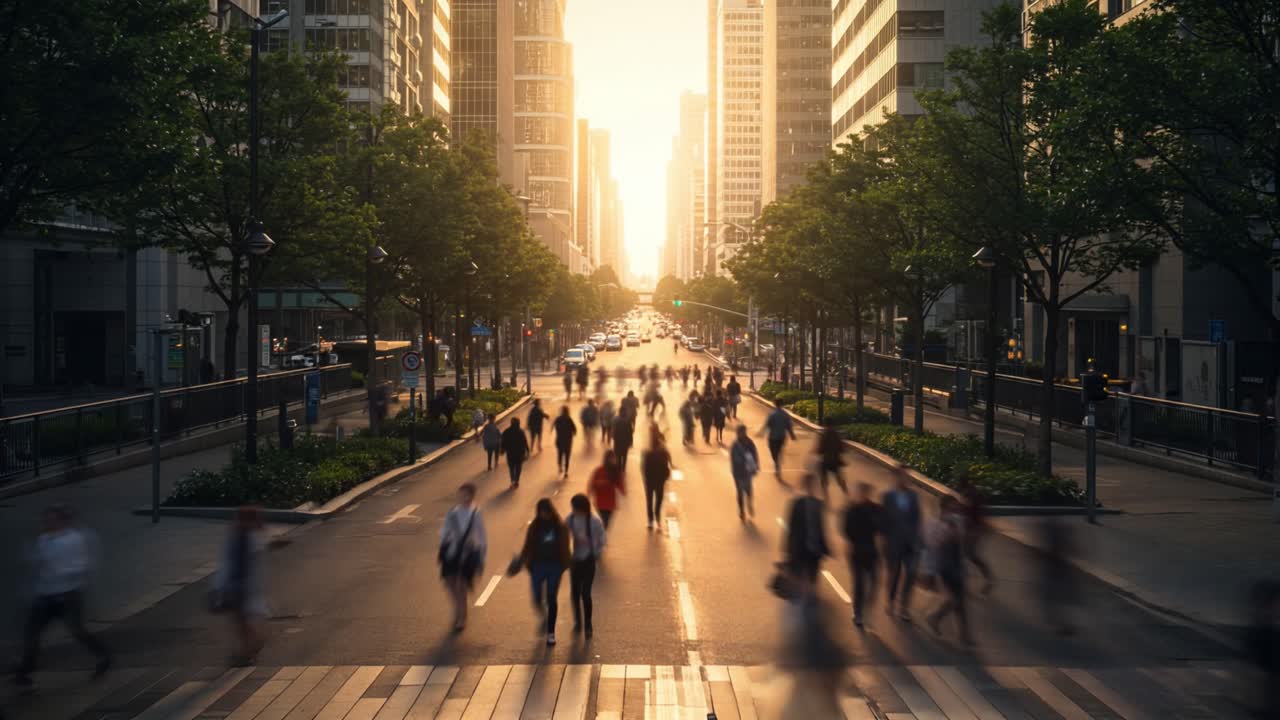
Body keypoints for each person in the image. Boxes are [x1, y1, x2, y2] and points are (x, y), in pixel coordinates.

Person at [15, 505, 110, 687]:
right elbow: (37, 563)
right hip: (46, 595)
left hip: (68, 596)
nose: (47, 523)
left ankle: (103, 656)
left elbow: (82, 565)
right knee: (32, 632)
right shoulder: (43, 539)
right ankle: (25, 671)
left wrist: (60, 571)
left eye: (51, 520)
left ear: (62, 521)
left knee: (77, 631)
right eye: (46, 520)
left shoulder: (73, 539)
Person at [519, 499, 571, 646]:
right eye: (542, 512)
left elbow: (566, 547)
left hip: (555, 566)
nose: (544, 515)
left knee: (551, 598)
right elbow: (527, 545)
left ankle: (551, 633)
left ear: (551, 511)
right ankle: (544, 617)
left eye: (547, 512)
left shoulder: (560, 527)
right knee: (536, 598)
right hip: (537, 566)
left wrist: (564, 565)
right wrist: (522, 560)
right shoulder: (534, 527)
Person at [926, 496, 973, 644]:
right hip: (945, 567)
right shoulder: (937, 524)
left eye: (956, 507)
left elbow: (961, 544)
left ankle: (964, 636)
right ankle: (934, 617)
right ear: (945, 507)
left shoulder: (958, 521)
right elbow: (933, 546)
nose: (956, 509)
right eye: (953, 506)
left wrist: (964, 564)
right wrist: (932, 571)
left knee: (961, 602)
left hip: (956, 565)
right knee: (954, 600)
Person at [440, 484, 486, 631]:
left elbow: (481, 536)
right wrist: (443, 544)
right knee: (450, 584)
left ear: (472, 496)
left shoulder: (476, 513)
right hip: (451, 552)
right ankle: (458, 609)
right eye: (461, 494)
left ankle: (462, 616)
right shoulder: (452, 512)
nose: (464, 497)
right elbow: (444, 530)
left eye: (467, 495)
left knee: (461, 585)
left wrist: (481, 555)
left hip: (467, 553)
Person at [881, 465, 922, 621]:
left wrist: (918, 541)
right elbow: (883, 521)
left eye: (907, 476)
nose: (906, 479)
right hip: (893, 543)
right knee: (895, 574)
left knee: (911, 574)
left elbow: (917, 519)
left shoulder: (913, 496)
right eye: (903, 476)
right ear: (896, 477)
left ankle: (904, 607)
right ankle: (890, 601)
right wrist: (883, 541)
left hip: (910, 543)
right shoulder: (888, 496)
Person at [784, 473, 830, 607]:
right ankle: (805, 597)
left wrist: (825, 546)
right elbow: (791, 527)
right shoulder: (797, 504)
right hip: (800, 546)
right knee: (801, 573)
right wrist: (787, 549)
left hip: (814, 547)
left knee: (813, 574)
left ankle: (810, 597)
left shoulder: (819, 504)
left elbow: (822, 527)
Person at [567, 494, 606, 636]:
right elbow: (563, 532)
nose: (573, 510)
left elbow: (602, 539)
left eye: (575, 508)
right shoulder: (571, 519)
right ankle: (578, 622)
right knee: (575, 593)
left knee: (586, 593)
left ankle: (588, 623)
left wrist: (595, 552)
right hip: (575, 560)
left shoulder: (594, 522)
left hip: (589, 560)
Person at [842, 483, 881, 627]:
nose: (862, 495)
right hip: (856, 551)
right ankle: (858, 612)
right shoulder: (852, 509)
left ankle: (868, 608)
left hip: (871, 550)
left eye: (865, 493)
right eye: (860, 493)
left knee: (875, 582)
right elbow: (846, 528)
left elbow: (881, 525)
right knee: (859, 583)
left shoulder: (875, 508)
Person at [957, 473, 994, 594]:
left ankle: (987, 579)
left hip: (973, 530)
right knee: (969, 555)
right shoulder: (973, 494)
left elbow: (971, 513)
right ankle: (987, 578)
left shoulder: (970, 495)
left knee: (968, 555)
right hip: (974, 529)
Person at [641, 426, 673, 529]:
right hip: (659, 481)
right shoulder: (662, 452)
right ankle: (657, 517)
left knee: (649, 501)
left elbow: (643, 468)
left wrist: (645, 478)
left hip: (649, 481)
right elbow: (666, 464)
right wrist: (666, 476)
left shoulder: (647, 453)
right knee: (658, 500)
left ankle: (650, 521)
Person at [588, 450, 627, 529]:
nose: (613, 460)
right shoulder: (599, 470)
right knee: (605, 522)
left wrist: (623, 491)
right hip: (601, 501)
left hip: (610, 502)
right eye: (611, 458)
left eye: (613, 458)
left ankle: (601, 534)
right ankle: (602, 536)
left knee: (606, 522)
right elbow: (593, 483)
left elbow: (620, 483)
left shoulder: (616, 471)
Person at [729, 425, 760, 519]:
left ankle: (749, 504)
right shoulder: (735, 445)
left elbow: (755, 454)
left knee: (749, 491)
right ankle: (742, 511)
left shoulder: (750, 443)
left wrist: (755, 466)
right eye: (739, 433)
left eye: (742, 432)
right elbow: (733, 459)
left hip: (747, 472)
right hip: (738, 473)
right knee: (740, 493)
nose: (741, 434)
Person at [762, 400, 797, 481]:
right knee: (778, 451)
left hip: (773, 437)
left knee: (773, 452)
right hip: (782, 437)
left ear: (775, 404)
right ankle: (777, 462)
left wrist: (762, 433)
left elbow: (767, 425)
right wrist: (792, 435)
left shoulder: (772, 414)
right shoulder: (786, 415)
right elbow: (789, 426)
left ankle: (777, 463)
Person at [816, 425, 849, 500]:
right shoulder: (837, 435)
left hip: (826, 460)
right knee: (839, 479)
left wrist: (819, 451)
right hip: (835, 460)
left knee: (824, 480)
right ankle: (846, 494)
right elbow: (842, 449)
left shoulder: (824, 435)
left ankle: (825, 497)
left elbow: (820, 449)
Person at [501, 417, 530, 488]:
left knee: (511, 468)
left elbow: (503, 442)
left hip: (510, 453)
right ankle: (517, 480)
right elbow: (525, 442)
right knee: (518, 467)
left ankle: (512, 480)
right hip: (519, 453)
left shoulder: (506, 431)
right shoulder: (521, 432)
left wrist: (502, 450)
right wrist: (527, 450)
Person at [552, 406, 577, 477]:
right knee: (567, 456)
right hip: (568, 442)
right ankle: (566, 471)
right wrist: (573, 433)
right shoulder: (569, 419)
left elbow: (553, 425)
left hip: (559, 440)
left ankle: (560, 467)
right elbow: (574, 429)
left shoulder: (558, 418)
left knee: (560, 455)